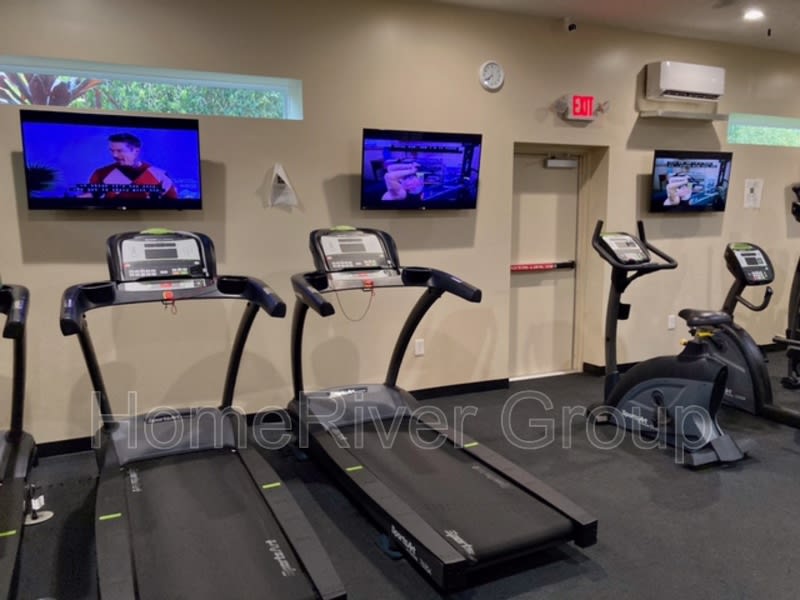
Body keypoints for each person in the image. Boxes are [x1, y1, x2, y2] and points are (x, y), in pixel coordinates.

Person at [84, 133, 178, 199]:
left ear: (135, 151)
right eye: (112, 151)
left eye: (119, 151)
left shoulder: (159, 175)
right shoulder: (101, 173)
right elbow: (88, 197)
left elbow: (172, 201)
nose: (114, 155)